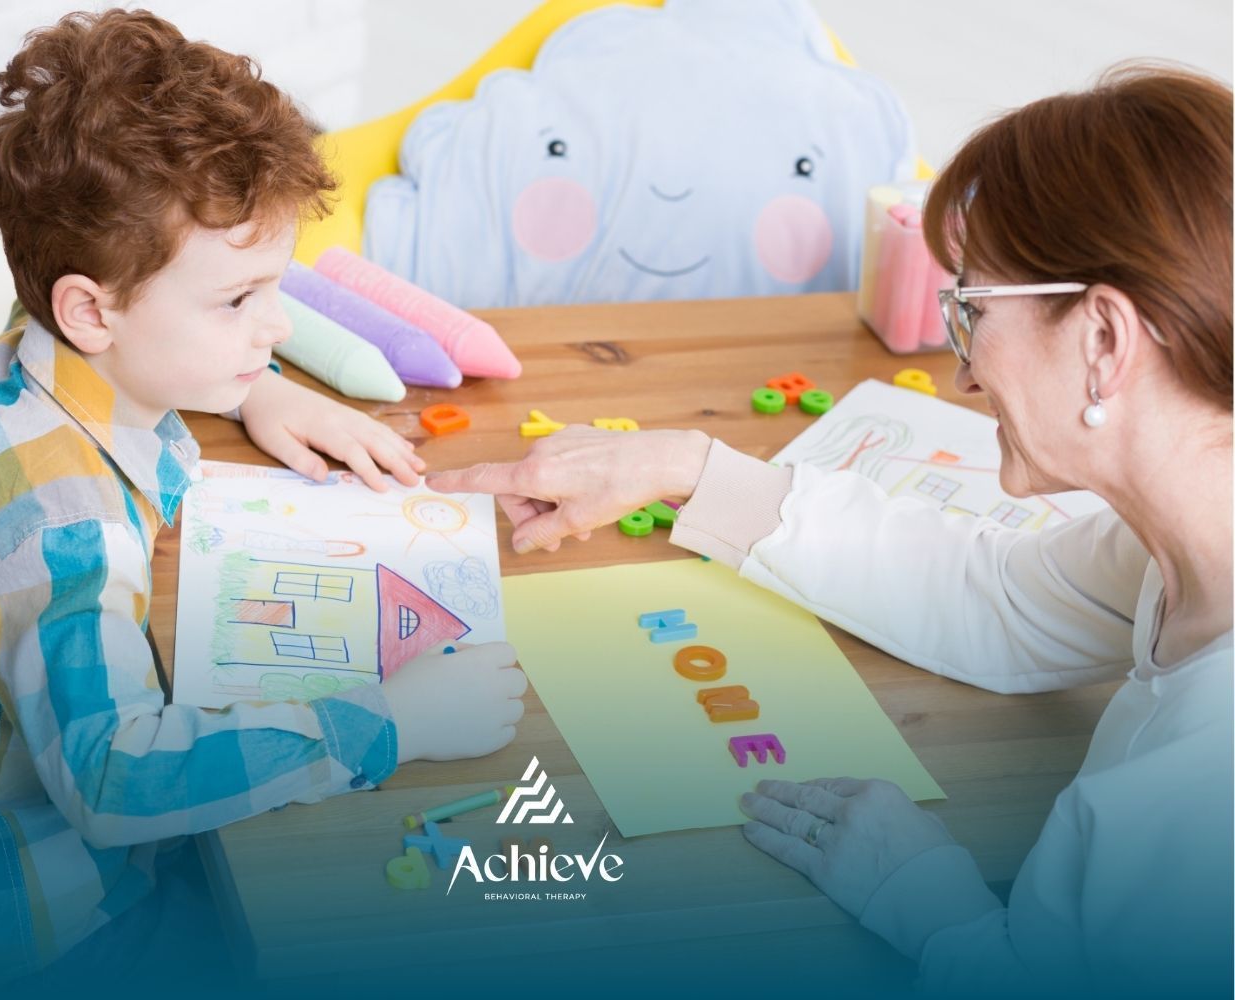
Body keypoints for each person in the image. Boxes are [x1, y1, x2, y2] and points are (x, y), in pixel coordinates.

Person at [428, 65, 1232, 995]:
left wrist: (931, 904)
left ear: (1104, 340)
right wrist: (686, 469)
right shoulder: (1186, 531)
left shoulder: (1202, 783)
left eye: (969, 312)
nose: (963, 373)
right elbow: (1002, 600)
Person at [0, 9, 526, 991]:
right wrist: (389, 723)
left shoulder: (33, 348)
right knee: (338, 930)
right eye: (237, 300)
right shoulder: (55, 531)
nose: (276, 324)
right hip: (18, 931)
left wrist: (261, 385)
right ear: (92, 308)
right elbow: (118, 780)